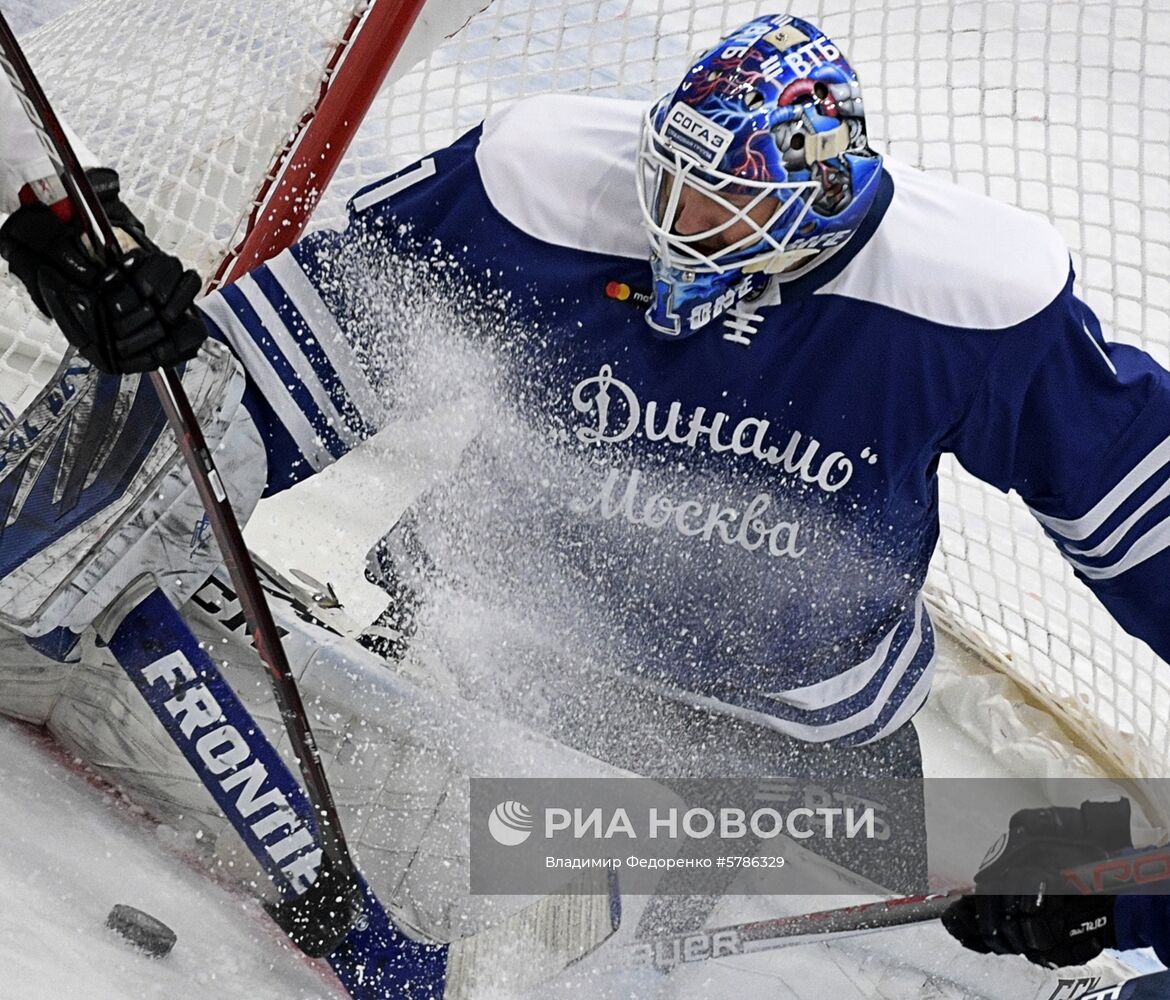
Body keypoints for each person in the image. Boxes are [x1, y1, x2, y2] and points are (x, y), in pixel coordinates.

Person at [2, 10, 1169, 971]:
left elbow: (1142, 521)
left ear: (818, 197)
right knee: (511, 937)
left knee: (808, 970)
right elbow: (298, 368)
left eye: (722, 206)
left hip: (792, 745)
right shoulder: (539, 184)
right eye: (671, 178)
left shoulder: (969, 302)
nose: (671, 224)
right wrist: (150, 467)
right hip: (477, 656)